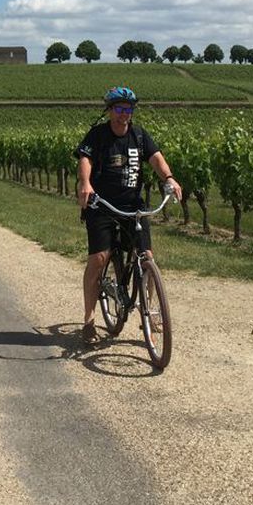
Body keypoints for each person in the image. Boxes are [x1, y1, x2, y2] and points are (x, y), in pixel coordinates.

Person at [75, 86, 182, 346]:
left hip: (133, 206)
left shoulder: (139, 135)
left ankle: (151, 312)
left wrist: (168, 178)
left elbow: (156, 158)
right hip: (101, 205)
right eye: (120, 109)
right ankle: (88, 321)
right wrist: (85, 183)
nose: (125, 114)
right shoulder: (98, 134)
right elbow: (85, 158)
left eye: (129, 109)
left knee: (148, 259)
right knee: (99, 259)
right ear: (110, 110)